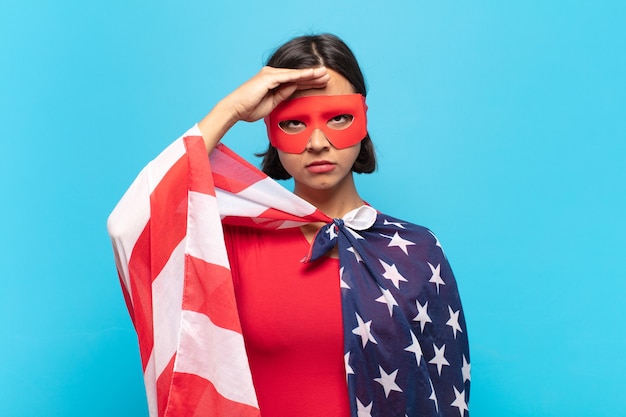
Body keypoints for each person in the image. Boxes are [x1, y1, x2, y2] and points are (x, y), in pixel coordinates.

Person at [108, 34, 470, 417]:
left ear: (363, 120)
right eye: (294, 122)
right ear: (269, 129)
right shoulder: (227, 244)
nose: (317, 142)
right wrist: (228, 110)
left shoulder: (417, 250)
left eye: (338, 118)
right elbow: (126, 226)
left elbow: (444, 393)